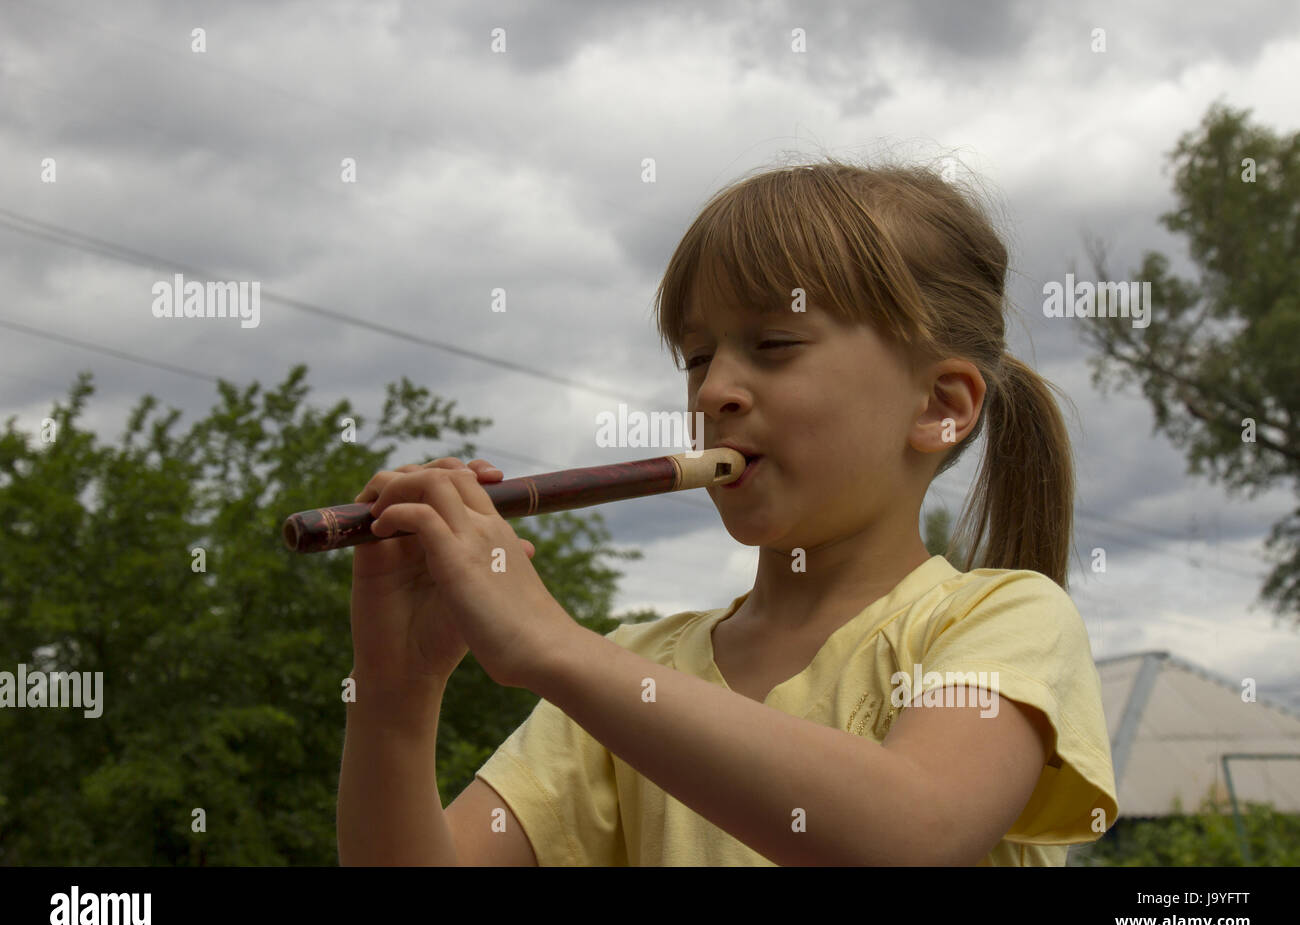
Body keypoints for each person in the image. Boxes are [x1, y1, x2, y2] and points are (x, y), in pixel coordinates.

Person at [336, 159, 1119, 866]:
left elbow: (916, 831)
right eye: (698, 356)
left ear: (941, 406)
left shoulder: (1002, 620)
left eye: (775, 343)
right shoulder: (633, 674)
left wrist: (550, 646)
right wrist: (394, 689)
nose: (714, 393)